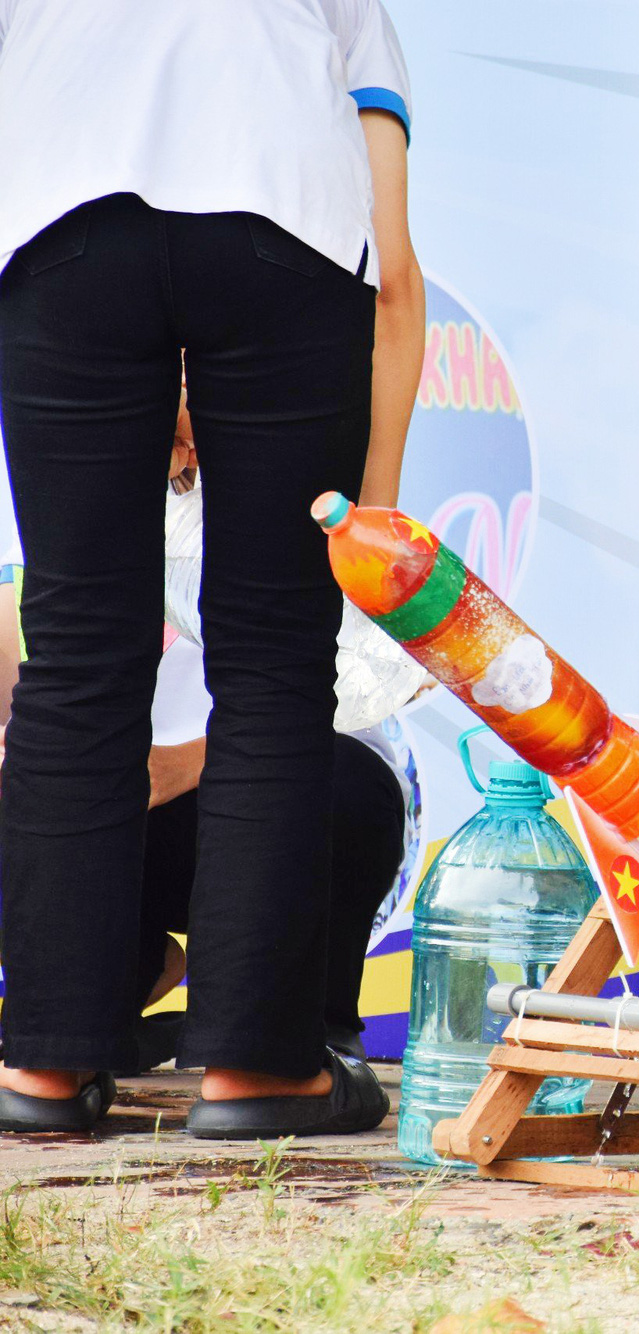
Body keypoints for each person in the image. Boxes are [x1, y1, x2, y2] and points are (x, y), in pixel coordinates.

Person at [0, 0, 422, 1136]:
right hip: (280, 229)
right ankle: (255, 1068)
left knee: (78, 642)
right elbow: (390, 265)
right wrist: (369, 507)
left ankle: (42, 1064)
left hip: (56, 228)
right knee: (275, 654)